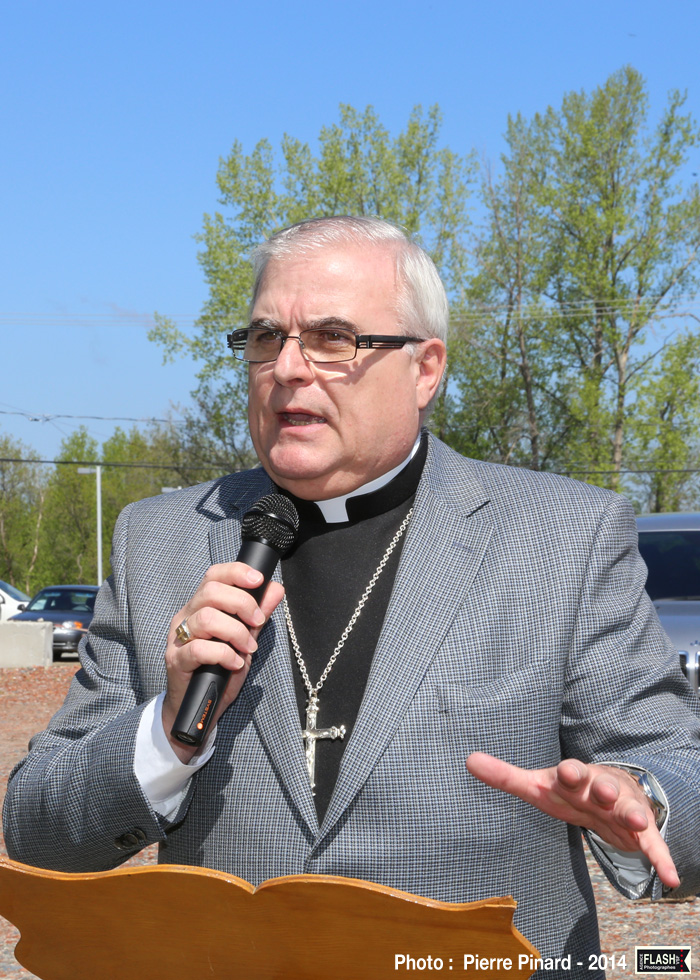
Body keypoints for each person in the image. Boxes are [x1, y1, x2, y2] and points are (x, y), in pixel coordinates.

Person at [5, 216, 700, 978]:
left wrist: (645, 800)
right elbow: (37, 829)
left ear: (425, 368)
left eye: (333, 339)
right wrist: (167, 734)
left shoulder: (563, 536)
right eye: (266, 338)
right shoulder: (160, 540)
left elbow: (677, 772)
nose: (287, 369)